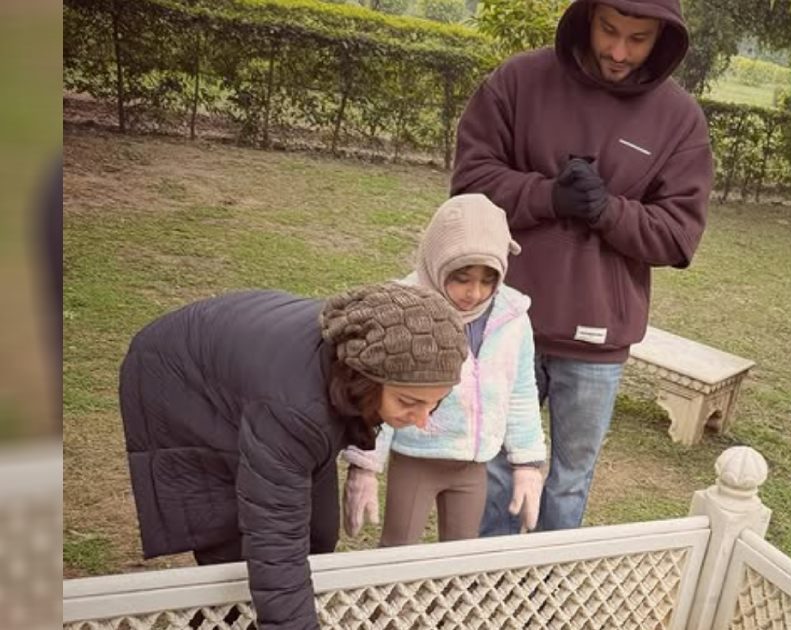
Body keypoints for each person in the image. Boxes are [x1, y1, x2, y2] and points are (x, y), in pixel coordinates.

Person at [450, 0, 714, 534]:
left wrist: (606, 210)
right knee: (495, 467)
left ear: (663, 36)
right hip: (505, 323)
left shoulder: (678, 119)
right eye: (609, 31)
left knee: (570, 477)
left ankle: (546, 594)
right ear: (588, 16)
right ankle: (479, 587)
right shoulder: (519, 80)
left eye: (637, 39)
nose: (618, 52)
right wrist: (548, 195)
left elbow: (679, 235)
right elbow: (469, 184)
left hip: (597, 341)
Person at [118, 282, 468, 629]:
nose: (423, 421)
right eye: (409, 403)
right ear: (365, 380)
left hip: (255, 364)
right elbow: (276, 539)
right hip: (182, 378)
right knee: (235, 545)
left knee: (317, 533)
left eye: (435, 402)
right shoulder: (296, 407)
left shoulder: (350, 366)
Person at [340, 194, 547, 543]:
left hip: (473, 466)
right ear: (438, 261)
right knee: (398, 551)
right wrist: (365, 465)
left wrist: (527, 464)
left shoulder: (512, 316)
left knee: (460, 560)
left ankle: (454, 600)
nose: (474, 293)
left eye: (487, 280)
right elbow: (380, 392)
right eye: (462, 277)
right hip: (417, 458)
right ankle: (390, 600)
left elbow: (522, 390)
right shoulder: (406, 308)